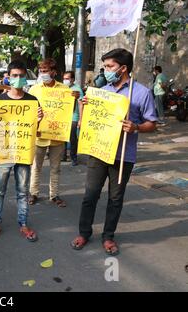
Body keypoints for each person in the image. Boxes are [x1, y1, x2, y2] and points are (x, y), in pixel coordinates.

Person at [71, 48, 157, 256]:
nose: (106, 70)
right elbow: (85, 124)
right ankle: (84, 232)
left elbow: (152, 123)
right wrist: (83, 108)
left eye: (110, 66)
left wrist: (135, 127)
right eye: (105, 66)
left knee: (115, 199)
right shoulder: (102, 92)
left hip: (123, 156)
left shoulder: (141, 93)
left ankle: (108, 236)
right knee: (90, 195)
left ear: (123, 68)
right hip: (98, 152)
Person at [0, 60, 44, 242]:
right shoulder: (0, 100)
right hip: (4, 152)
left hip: (24, 152)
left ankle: (23, 224)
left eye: (21, 76)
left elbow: (35, 130)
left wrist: (39, 120)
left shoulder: (32, 101)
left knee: (22, 190)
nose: (18, 79)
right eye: (14, 76)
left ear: (25, 77)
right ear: (8, 77)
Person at [28, 58, 71, 208]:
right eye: (41, 71)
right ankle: (33, 193)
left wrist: (76, 99)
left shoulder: (65, 91)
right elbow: (29, 111)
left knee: (56, 167)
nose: (43, 74)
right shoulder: (34, 90)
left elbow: (68, 110)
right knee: (36, 166)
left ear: (54, 72)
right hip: (39, 135)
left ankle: (54, 195)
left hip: (57, 136)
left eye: (46, 71)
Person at [62, 71, 84, 166]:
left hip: (73, 117)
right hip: (63, 117)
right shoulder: (62, 88)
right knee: (62, 137)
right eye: (64, 78)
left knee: (72, 138)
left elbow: (80, 104)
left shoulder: (77, 89)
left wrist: (80, 119)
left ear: (73, 79)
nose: (65, 80)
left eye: (67, 78)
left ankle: (73, 157)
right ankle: (63, 156)